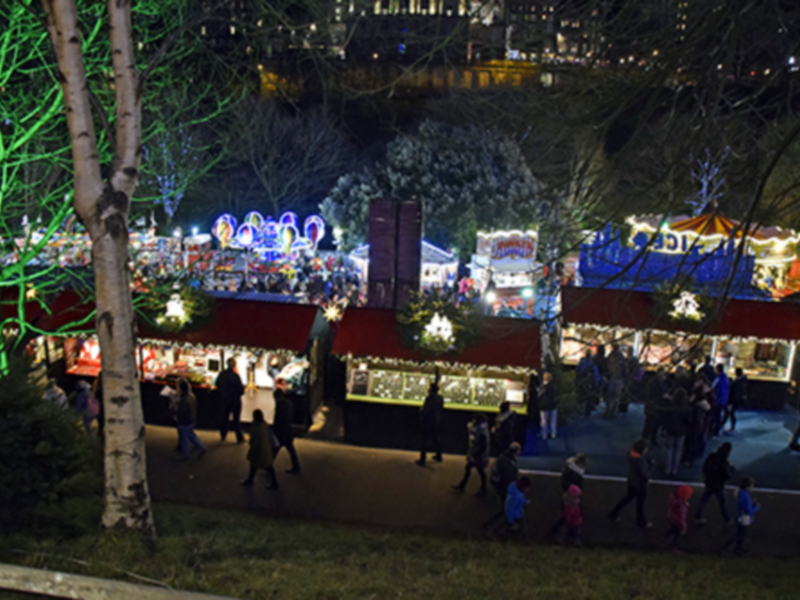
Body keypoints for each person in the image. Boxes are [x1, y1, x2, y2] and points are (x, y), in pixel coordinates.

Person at [608, 439, 653, 529]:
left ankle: (614, 513)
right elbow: (645, 474)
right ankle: (641, 522)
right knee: (640, 504)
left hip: (632, 481)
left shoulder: (631, 455)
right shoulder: (640, 461)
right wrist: (652, 466)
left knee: (627, 498)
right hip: (640, 485)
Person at [484, 442, 522, 532]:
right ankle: (492, 524)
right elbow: (508, 476)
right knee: (506, 507)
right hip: (504, 486)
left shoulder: (504, 457)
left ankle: (501, 523)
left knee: (507, 507)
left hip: (502, 486)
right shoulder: (507, 461)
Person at [694, 442, 733, 525]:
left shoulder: (712, 456)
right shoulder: (723, 462)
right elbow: (727, 476)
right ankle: (727, 519)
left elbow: (705, 467)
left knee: (703, 500)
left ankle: (697, 516)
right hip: (719, 486)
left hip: (709, 482)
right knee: (723, 503)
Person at [453, 414, 490, 496]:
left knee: (479, 471)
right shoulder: (481, 429)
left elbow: (482, 446)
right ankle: (462, 485)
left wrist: (475, 455)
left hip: (478, 455)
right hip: (476, 454)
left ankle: (482, 488)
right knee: (470, 469)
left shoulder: (482, 432)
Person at [241, 409, 278, 489]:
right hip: (266, 449)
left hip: (258, 450)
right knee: (268, 466)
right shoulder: (265, 426)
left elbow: (254, 440)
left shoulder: (256, 427)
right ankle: (274, 482)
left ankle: (250, 480)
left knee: (254, 465)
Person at [723, 477, 760, 555]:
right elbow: (748, 511)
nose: (753, 488)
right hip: (744, 518)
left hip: (740, 516)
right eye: (752, 486)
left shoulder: (741, 493)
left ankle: (739, 548)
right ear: (747, 487)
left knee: (740, 533)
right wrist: (757, 507)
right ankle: (727, 545)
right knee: (740, 534)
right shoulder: (745, 496)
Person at [272, 379, 301, 474]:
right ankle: (296, 466)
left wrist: (274, 429)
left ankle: (268, 465)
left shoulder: (280, 405)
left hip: (281, 431)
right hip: (287, 430)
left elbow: (278, 419)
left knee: (275, 449)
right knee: (290, 449)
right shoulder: (288, 403)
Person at [175, 378, 206, 461]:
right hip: (191, 419)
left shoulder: (184, 399)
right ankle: (201, 448)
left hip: (185, 421)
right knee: (191, 435)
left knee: (184, 438)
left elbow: (181, 411)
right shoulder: (191, 396)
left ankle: (185, 455)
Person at [663, 388, 692, 477]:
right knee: (678, 450)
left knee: (669, 450)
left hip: (670, 430)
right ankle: (674, 469)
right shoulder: (687, 408)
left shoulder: (670, 407)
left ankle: (667, 469)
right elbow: (689, 421)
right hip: (681, 432)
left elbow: (665, 418)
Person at [216, 358, 245, 444]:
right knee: (236, 419)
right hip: (235, 400)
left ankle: (223, 434)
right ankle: (239, 437)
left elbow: (217, 384)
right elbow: (241, 390)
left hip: (224, 399)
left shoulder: (222, 375)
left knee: (224, 417)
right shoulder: (236, 376)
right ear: (234, 366)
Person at [417, 382, 444, 466]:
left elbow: (426, 410)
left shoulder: (429, 398)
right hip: (436, 421)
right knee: (435, 438)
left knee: (424, 440)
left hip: (428, 421)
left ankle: (422, 459)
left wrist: (421, 411)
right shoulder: (440, 398)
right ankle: (439, 455)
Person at [664, 485, 693, 554]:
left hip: (672, 518)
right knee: (677, 534)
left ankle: (664, 538)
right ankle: (672, 547)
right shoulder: (681, 506)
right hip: (677, 521)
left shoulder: (675, 499)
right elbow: (681, 518)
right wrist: (684, 527)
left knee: (672, 529)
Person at [643, 368, 668, 446]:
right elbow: (651, 394)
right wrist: (662, 395)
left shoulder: (660, 382)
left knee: (654, 424)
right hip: (653, 407)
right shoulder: (654, 382)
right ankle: (645, 440)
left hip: (656, 407)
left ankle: (651, 439)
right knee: (650, 424)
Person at [576, 350, 599, 417]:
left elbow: (577, 371)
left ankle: (581, 410)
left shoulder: (582, 362)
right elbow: (596, 376)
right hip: (589, 384)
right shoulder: (593, 364)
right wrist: (596, 384)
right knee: (588, 398)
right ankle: (587, 411)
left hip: (582, 383)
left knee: (582, 397)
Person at [725, 368, 747, 433]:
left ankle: (732, 427)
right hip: (738, 398)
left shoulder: (736, 382)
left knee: (731, 412)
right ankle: (731, 427)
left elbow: (733, 392)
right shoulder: (743, 381)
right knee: (731, 412)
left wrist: (730, 401)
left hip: (734, 399)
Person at [538, 372, 558, 440]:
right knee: (553, 421)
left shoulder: (542, 387)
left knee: (544, 421)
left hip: (544, 407)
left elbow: (539, 397)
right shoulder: (554, 386)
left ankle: (544, 434)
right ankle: (553, 433)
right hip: (552, 406)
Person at [711, 364, 730, 437]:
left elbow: (712, 387)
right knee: (719, 415)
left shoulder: (718, 378)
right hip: (724, 398)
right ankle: (718, 429)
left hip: (718, 399)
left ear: (717, 369)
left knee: (716, 416)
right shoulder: (726, 377)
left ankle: (715, 431)